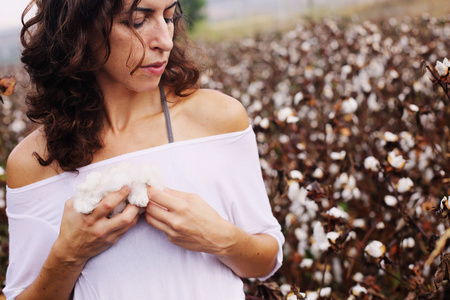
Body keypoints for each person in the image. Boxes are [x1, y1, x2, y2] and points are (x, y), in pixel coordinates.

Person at [3, 0, 284, 299]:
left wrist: (220, 237)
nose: (164, 40)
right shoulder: (33, 163)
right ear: (79, 28)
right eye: (138, 21)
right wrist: (67, 256)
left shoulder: (218, 120)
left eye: (169, 16)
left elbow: (266, 260)